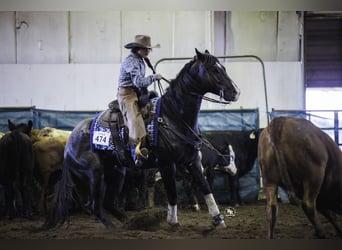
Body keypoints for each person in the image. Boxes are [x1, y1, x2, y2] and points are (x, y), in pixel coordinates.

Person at [117, 35, 162, 166]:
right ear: (137, 49)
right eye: (145, 49)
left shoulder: (141, 60)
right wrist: (154, 77)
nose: (147, 51)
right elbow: (139, 82)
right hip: (126, 95)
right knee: (135, 119)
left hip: (136, 93)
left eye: (148, 49)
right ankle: (135, 153)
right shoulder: (131, 62)